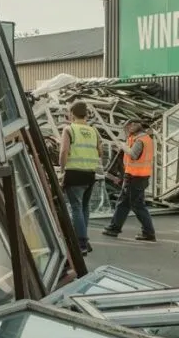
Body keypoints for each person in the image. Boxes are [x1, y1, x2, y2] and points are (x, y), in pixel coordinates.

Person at [102, 119, 156, 242]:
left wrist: (123, 146)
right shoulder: (145, 139)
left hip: (135, 177)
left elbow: (133, 155)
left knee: (135, 205)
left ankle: (148, 232)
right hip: (139, 176)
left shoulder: (140, 140)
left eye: (128, 127)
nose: (126, 130)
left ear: (134, 126)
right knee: (126, 203)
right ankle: (114, 228)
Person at [59, 101, 100, 255]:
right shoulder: (93, 131)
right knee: (84, 207)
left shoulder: (69, 129)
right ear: (86, 114)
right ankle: (85, 240)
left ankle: (81, 243)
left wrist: (62, 170)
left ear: (71, 114)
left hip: (74, 173)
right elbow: (100, 151)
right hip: (90, 173)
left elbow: (64, 152)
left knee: (76, 207)